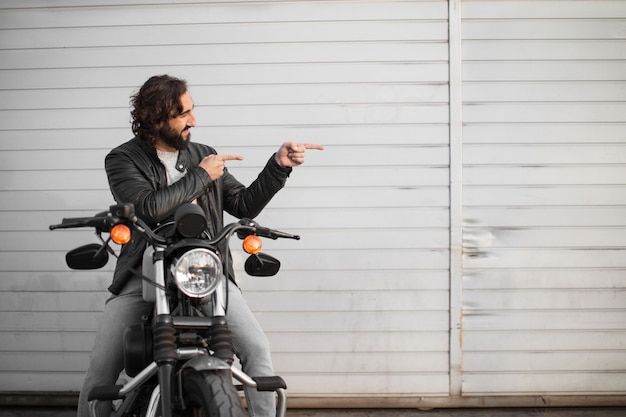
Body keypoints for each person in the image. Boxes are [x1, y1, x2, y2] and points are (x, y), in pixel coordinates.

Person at [77, 74, 323, 417]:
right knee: (101, 369)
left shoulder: (203, 154)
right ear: (156, 118)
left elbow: (243, 205)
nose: (193, 120)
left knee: (256, 349)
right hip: (146, 266)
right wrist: (202, 175)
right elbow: (146, 208)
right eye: (183, 114)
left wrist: (278, 167)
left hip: (202, 266)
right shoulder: (122, 159)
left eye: (192, 110)